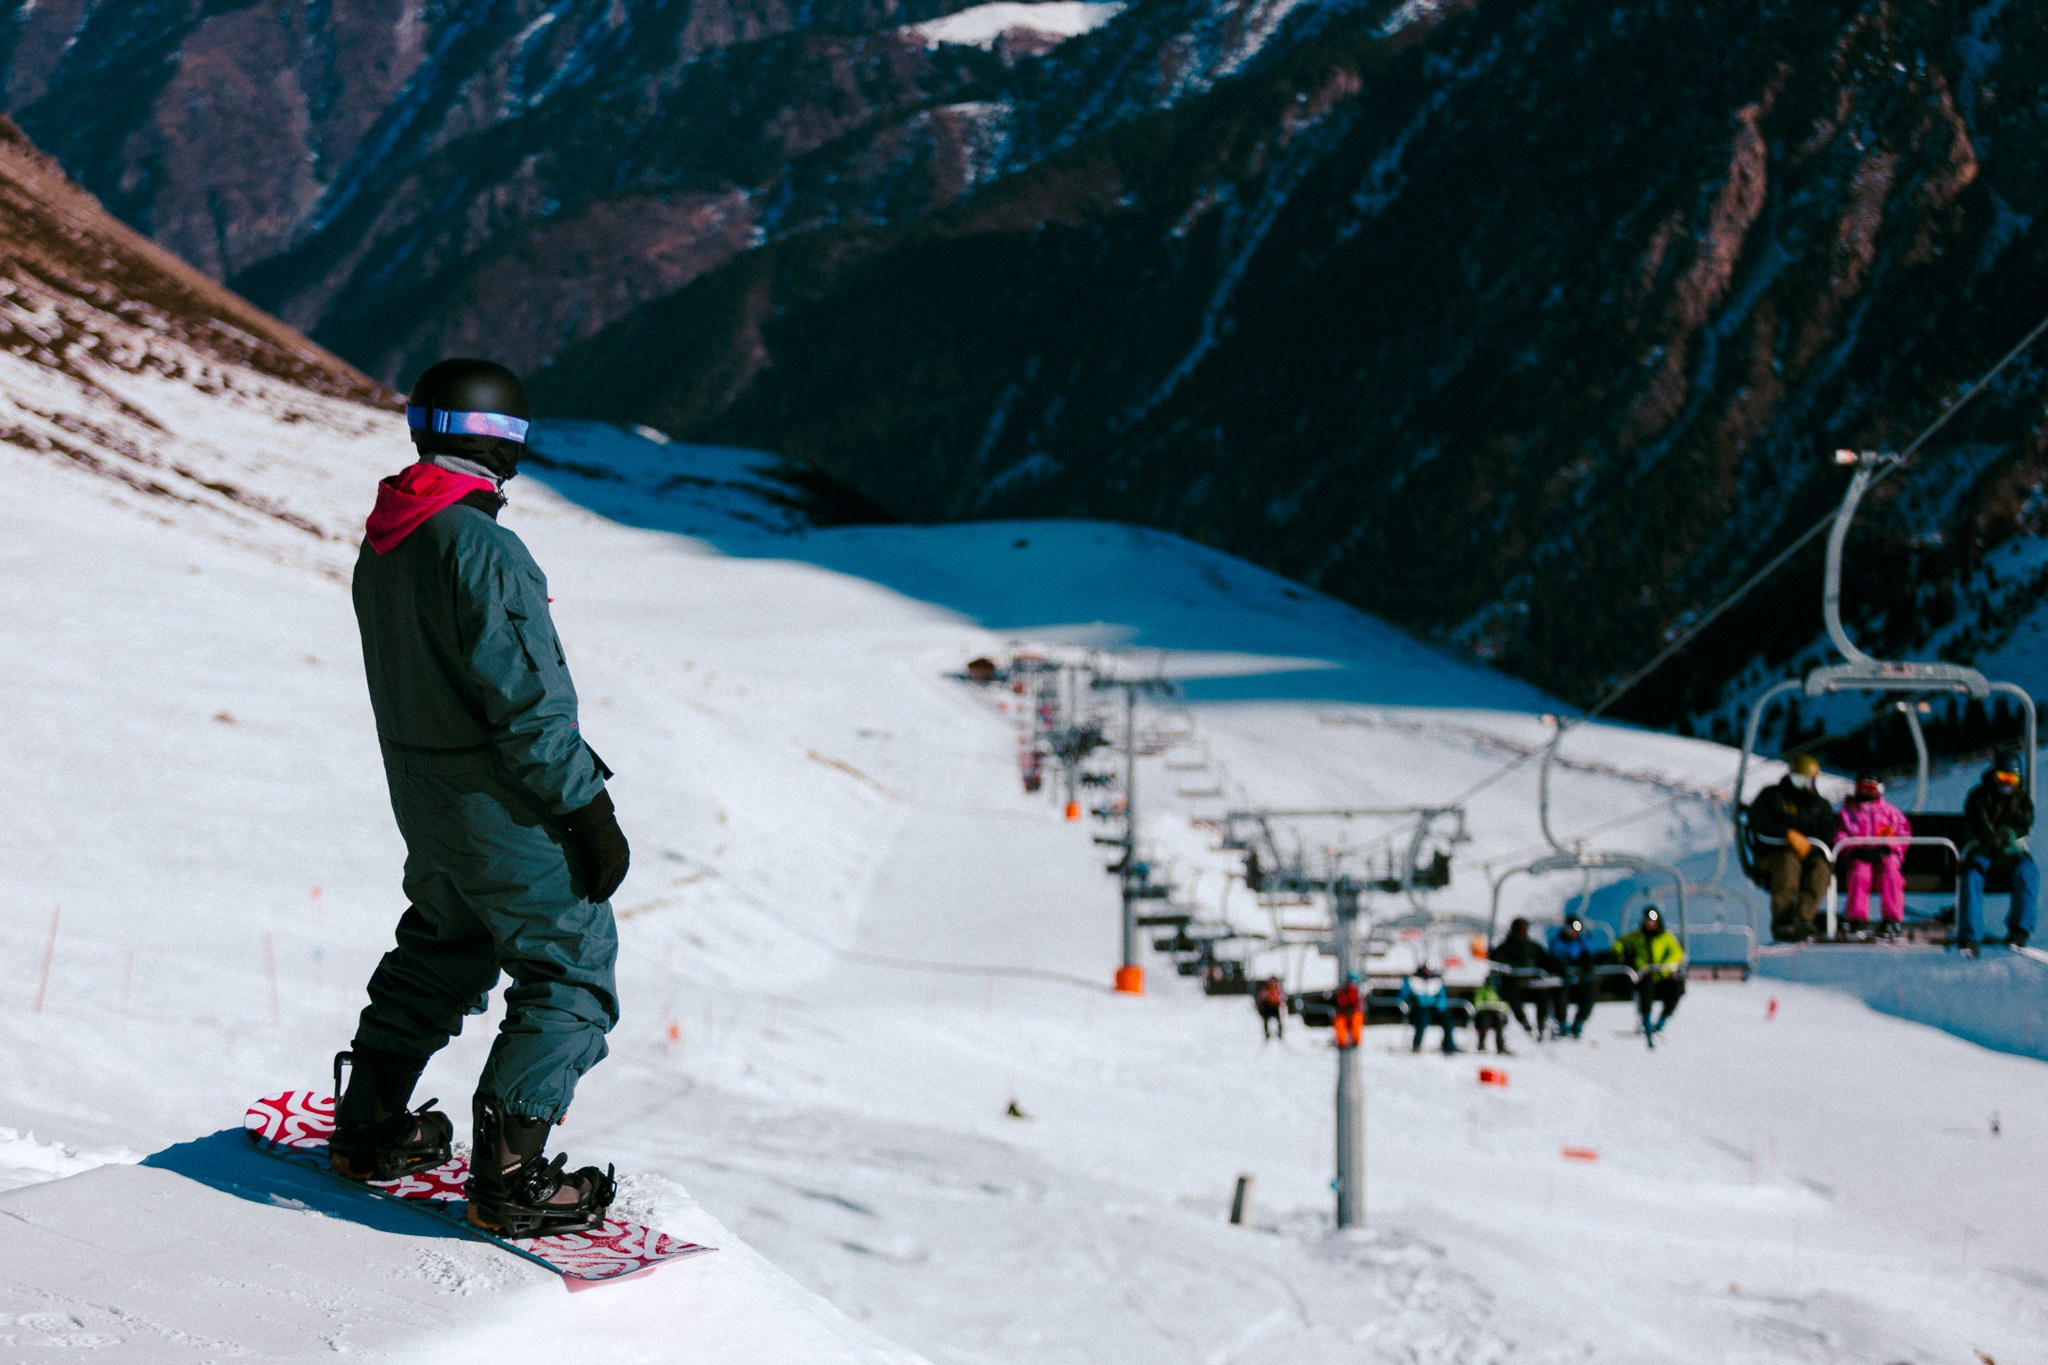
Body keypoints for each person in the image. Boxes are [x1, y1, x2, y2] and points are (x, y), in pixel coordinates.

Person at [331, 359, 629, 1238]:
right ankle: (511, 1177)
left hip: (424, 798)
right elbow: (532, 708)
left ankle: (371, 1123)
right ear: (508, 442)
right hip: (498, 805)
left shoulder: (388, 536)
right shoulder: (484, 549)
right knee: (569, 965)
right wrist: (587, 814)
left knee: (446, 944)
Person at [1747, 754, 1835, 942]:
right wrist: (1786, 834)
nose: (1802, 785)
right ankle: (1783, 921)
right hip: (1773, 855)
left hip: (1808, 855)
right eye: (1798, 779)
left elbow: (1827, 835)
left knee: (1820, 870)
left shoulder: (1820, 806)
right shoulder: (1772, 797)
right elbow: (1759, 825)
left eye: (1807, 781)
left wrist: (1811, 848)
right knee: (1787, 866)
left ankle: (1803, 918)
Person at [1960, 754, 2038, 953]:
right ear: (1994, 776)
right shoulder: (1978, 796)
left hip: (2011, 853)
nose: (2007, 784)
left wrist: (2010, 835)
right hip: (1984, 851)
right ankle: (1971, 936)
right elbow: (1980, 825)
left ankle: (2020, 930)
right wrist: (1995, 847)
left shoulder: (2021, 800)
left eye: (2013, 779)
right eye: (2004, 778)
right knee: (1972, 875)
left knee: (2028, 872)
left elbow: (2024, 823)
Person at [1835, 773, 1911, 939]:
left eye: (1870, 788)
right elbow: (1840, 835)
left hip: (1883, 857)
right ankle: (1856, 918)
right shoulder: (1848, 814)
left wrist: (1889, 848)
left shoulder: (1889, 813)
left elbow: (1902, 834)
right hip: (1859, 856)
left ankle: (1892, 919)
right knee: (1860, 872)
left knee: (1890, 872)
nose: (1865, 792)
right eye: (1861, 788)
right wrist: (1853, 850)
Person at [1612, 906, 1686, 1045]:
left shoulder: (1666, 937)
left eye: (1652, 921)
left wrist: (1664, 966)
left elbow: (1677, 953)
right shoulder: (1637, 936)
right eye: (1647, 920)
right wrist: (1621, 953)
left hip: (1662, 976)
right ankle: (1646, 1020)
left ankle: (1662, 1021)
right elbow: (1619, 943)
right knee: (1645, 988)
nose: (1650, 924)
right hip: (1644, 975)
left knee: (1676, 987)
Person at [1488, 916, 1555, 1038]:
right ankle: (1525, 1022)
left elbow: (1546, 961)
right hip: (1514, 984)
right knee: (1513, 996)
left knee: (1543, 995)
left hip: (1532, 983)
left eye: (1524, 929)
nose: (1522, 932)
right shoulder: (1506, 947)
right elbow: (1498, 961)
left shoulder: (1533, 947)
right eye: (1520, 929)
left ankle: (1541, 1023)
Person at [1547, 915, 1598, 1038]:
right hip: (1563, 979)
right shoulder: (1558, 942)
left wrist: (1586, 969)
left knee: (1590, 991)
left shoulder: (1582, 942)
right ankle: (1562, 1022)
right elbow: (1555, 957)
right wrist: (1563, 970)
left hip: (1580, 980)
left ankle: (1579, 1021)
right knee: (1560, 992)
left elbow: (1589, 955)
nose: (1574, 932)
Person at [1398, 964, 1459, 1054]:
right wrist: (1412, 1002)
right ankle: (1417, 1045)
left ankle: (1448, 1045)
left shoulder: (1436, 982)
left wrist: (1439, 1006)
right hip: (1418, 1009)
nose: (1428, 972)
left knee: (1448, 1021)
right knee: (1423, 1019)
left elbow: (1442, 998)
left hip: (1435, 1009)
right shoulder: (1412, 980)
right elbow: (1403, 996)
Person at [1470, 980, 1512, 1055]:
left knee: (1499, 1022)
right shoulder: (1481, 990)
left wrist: (1499, 1007)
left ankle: (1500, 1047)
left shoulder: (1496, 991)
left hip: (1495, 1014)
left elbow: (1504, 1005)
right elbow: (1478, 1003)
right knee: (1485, 1021)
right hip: (1483, 1014)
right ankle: (1481, 1045)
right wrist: (1489, 1006)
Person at [1331, 973, 1365, 1050]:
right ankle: (1341, 1042)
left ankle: (1356, 1041)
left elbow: (1357, 1006)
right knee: (1339, 1022)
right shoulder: (1342, 992)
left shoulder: (1357, 993)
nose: (1351, 985)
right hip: (1343, 1014)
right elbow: (1340, 1004)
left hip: (1354, 1014)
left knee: (1356, 1021)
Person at [1255, 975, 1288, 1040]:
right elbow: (1261, 997)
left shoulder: (1277, 990)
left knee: (1278, 1021)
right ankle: (1267, 1033)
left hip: (1275, 1007)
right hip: (1268, 1007)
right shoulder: (1266, 989)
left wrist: (1282, 1004)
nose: (1272, 983)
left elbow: (1281, 998)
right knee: (1266, 1020)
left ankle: (1279, 1032)